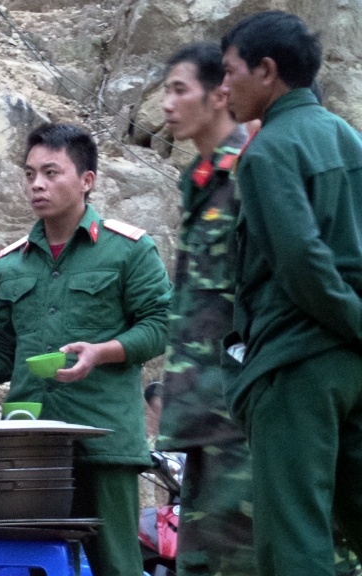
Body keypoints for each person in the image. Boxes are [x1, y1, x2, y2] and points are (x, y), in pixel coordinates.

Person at [0, 123, 172, 576]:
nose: (36, 185)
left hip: (104, 439)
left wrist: (101, 352)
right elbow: (1, 352)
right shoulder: (12, 263)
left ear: (87, 180)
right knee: (27, 566)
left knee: (116, 567)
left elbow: (160, 325)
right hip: (29, 447)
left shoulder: (129, 250)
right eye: (29, 174)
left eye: (50, 172)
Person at [219, 10, 362, 576]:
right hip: (353, 365)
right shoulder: (347, 138)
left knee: (293, 541)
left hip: (297, 363)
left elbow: (301, 261)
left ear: (266, 71)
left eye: (230, 71)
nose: (223, 87)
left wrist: (355, 321)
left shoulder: (269, 151)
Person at [157, 41, 254, 576]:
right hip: (199, 417)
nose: (167, 104)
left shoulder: (249, 172)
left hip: (239, 413)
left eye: (179, 90)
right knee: (197, 561)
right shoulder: (198, 180)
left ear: (219, 94)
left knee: (242, 558)